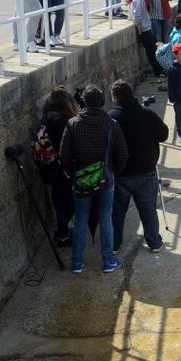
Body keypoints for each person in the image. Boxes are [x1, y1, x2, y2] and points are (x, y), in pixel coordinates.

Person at [59, 85, 129, 274]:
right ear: (102, 102)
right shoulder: (111, 124)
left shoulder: (73, 124)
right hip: (106, 179)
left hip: (81, 179)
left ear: (83, 101)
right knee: (106, 219)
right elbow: (123, 154)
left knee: (81, 218)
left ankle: (77, 263)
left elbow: (63, 157)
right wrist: (113, 172)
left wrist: (74, 173)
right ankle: (108, 262)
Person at [108, 80, 168, 253]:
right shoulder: (147, 113)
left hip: (121, 172)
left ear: (115, 97)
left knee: (118, 211)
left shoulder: (111, 117)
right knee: (148, 209)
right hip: (146, 169)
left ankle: (114, 244)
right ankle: (154, 242)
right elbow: (163, 134)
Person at [41, 87, 77, 245]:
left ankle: (62, 231)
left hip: (49, 167)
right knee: (67, 202)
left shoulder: (45, 118)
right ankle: (66, 233)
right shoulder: (64, 122)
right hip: (65, 168)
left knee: (58, 200)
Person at [131, 0, 164, 76]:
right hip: (144, 31)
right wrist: (140, 32)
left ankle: (159, 70)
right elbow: (137, 17)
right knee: (151, 52)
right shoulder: (139, 0)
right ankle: (158, 72)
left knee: (154, 50)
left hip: (147, 29)